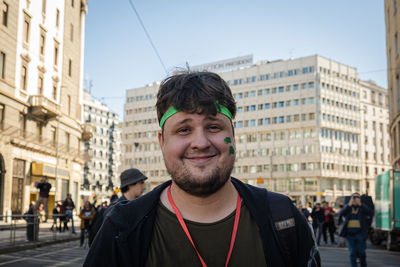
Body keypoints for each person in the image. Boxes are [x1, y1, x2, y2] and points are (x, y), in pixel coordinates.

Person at [84, 71, 320, 266]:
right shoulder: (122, 227)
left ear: (233, 136)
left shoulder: (283, 216)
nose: (200, 142)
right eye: (184, 130)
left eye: (214, 126)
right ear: (162, 142)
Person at [88, 168, 148, 247]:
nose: (144, 187)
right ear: (130, 184)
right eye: (141, 183)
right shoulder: (115, 210)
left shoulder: (135, 207)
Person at [339, 192, 373, 267]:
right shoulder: (348, 207)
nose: (355, 199)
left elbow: (370, 213)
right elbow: (340, 213)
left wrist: (361, 204)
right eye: (353, 197)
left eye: (357, 197)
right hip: (350, 234)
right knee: (352, 253)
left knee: (362, 252)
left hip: (360, 233)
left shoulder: (362, 207)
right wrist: (348, 205)